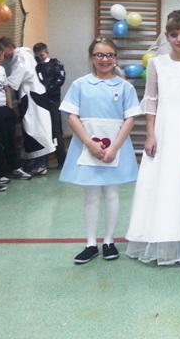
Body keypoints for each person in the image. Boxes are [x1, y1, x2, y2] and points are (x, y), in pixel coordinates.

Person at [126, 10, 180, 265]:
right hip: (164, 129)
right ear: (166, 36)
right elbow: (151, 101)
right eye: (174, 34)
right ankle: (163, 233)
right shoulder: (157, 64)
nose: (179, 39)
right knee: (164, 179)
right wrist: (150, 135)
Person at [59, 36, 141, 265]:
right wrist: (89, 143)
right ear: (91, 57)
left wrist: (114, 147)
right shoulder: (80, 84)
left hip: (115, 147)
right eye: (99, 55)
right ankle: (90, 243)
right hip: (87, 145)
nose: (105, 59)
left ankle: (109, 241)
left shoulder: (124, 87)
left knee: (112, 193)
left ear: (116, 58)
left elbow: (130, 118)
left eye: (109, 55)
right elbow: (72, 116)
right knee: (92, 194)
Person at [0, 37, 54, 176]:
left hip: (33, 97)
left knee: (36, 129)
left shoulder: (22, 55)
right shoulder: (22, 56)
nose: (2, 54)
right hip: (31, 96)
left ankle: (41, 164)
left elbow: (23, 72)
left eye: (3, 50)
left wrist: (5, 83)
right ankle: (33, 163)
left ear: (9, 47)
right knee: (31, 130)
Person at [0, 40, 31, 180]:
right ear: (0, 53)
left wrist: (10, 109)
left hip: (3, 108)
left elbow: (6, 89)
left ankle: (15, 168)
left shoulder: (1, 69)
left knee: (11, 140)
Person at [33, 42, 67, 169]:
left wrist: (48, 89)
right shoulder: (37, 67)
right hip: (41, 100)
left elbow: (60, 79)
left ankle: (61, 159)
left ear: (47, 53)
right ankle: (44, 161)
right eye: (37, 56)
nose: (40, 58)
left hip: (53, 99)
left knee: (56, 129)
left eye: (41, 55)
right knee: (43, 128)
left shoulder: (56, 64)